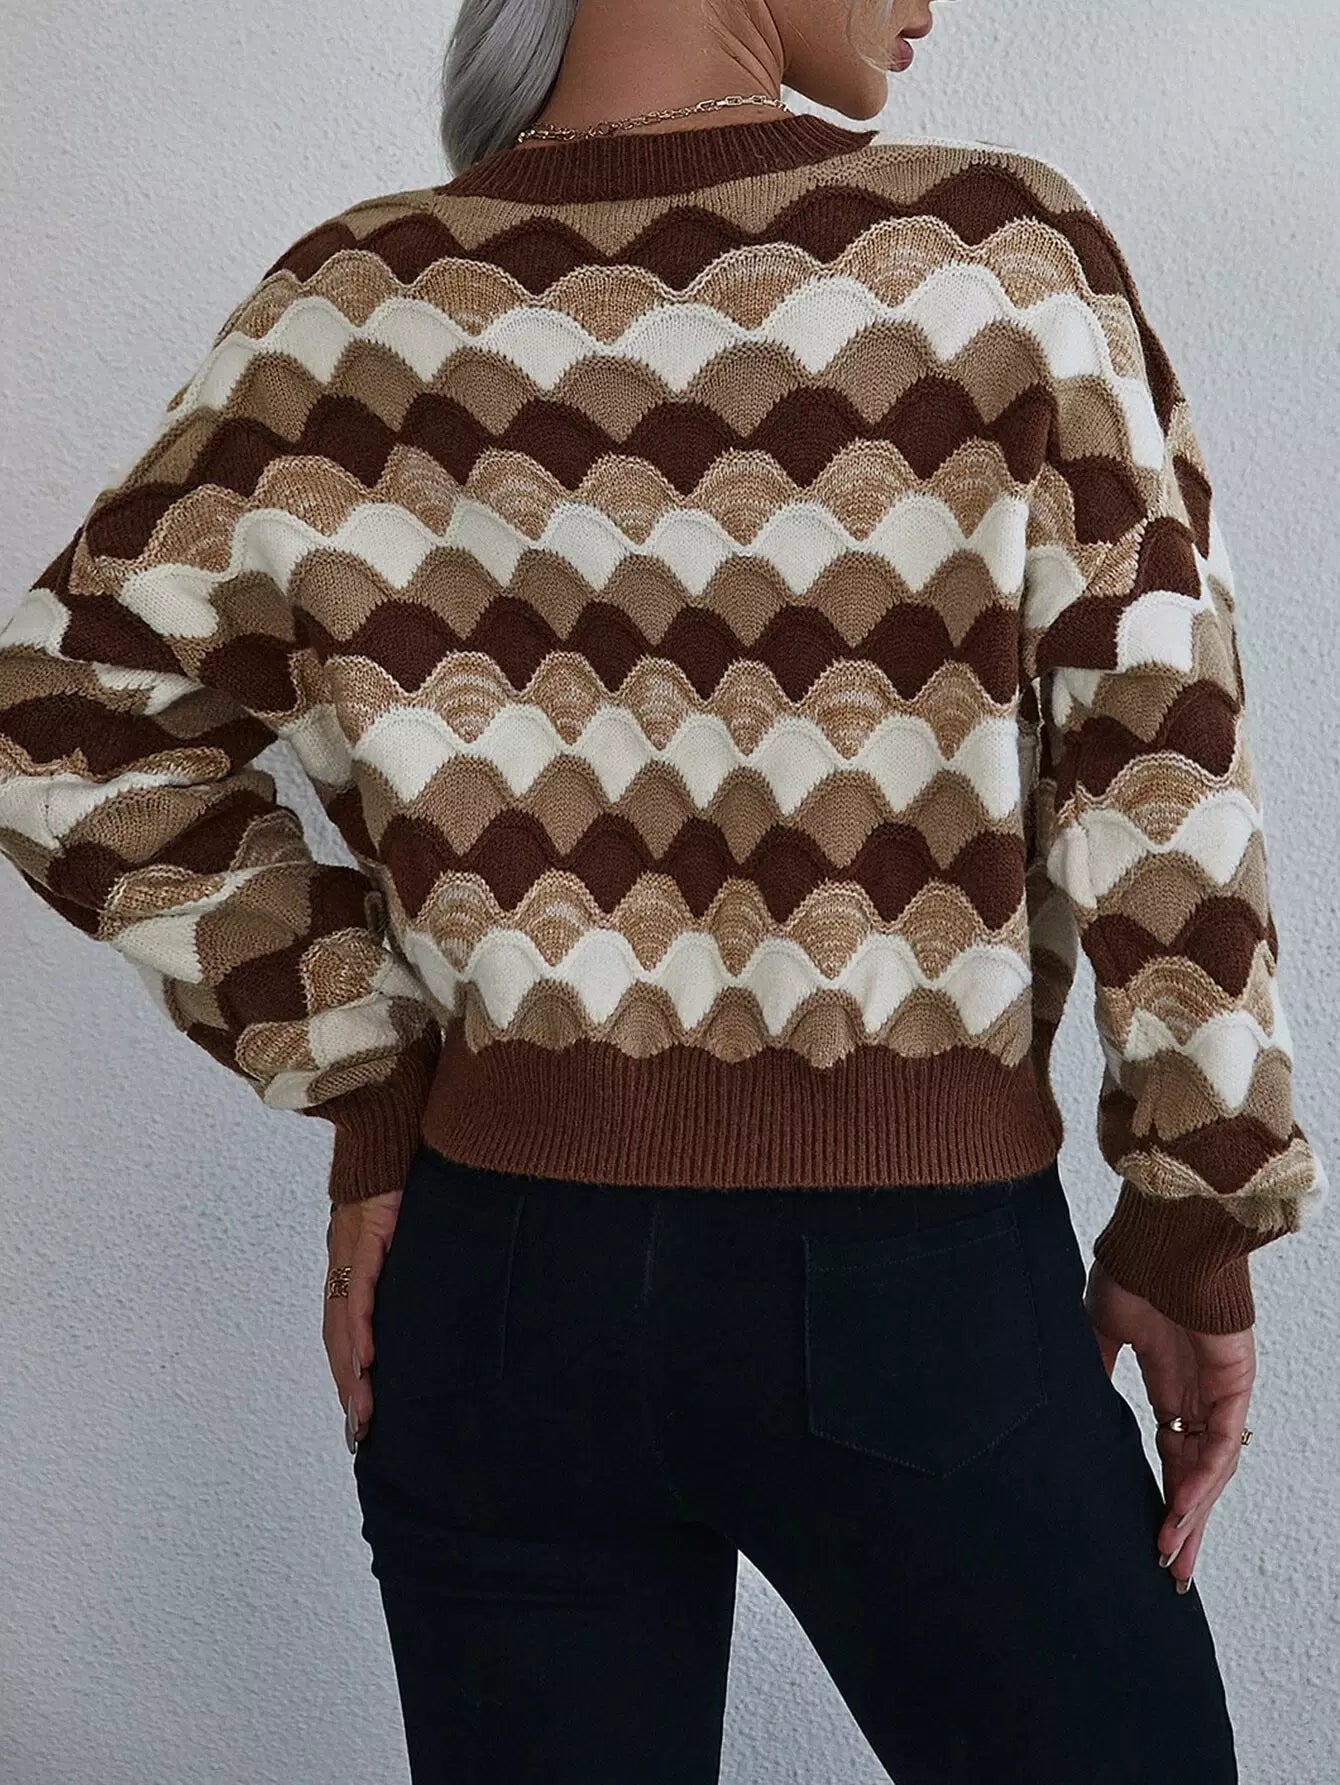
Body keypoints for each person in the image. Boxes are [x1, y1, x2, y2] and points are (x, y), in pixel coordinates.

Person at [0, 2, 1325, 1779]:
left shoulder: (349, 313)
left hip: (492, 1287)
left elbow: (64, 725)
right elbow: (1161, 757)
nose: (931, 4)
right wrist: (1192, 1213)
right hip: (913, 1293)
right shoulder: (997, 262)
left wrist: (371, 1073)